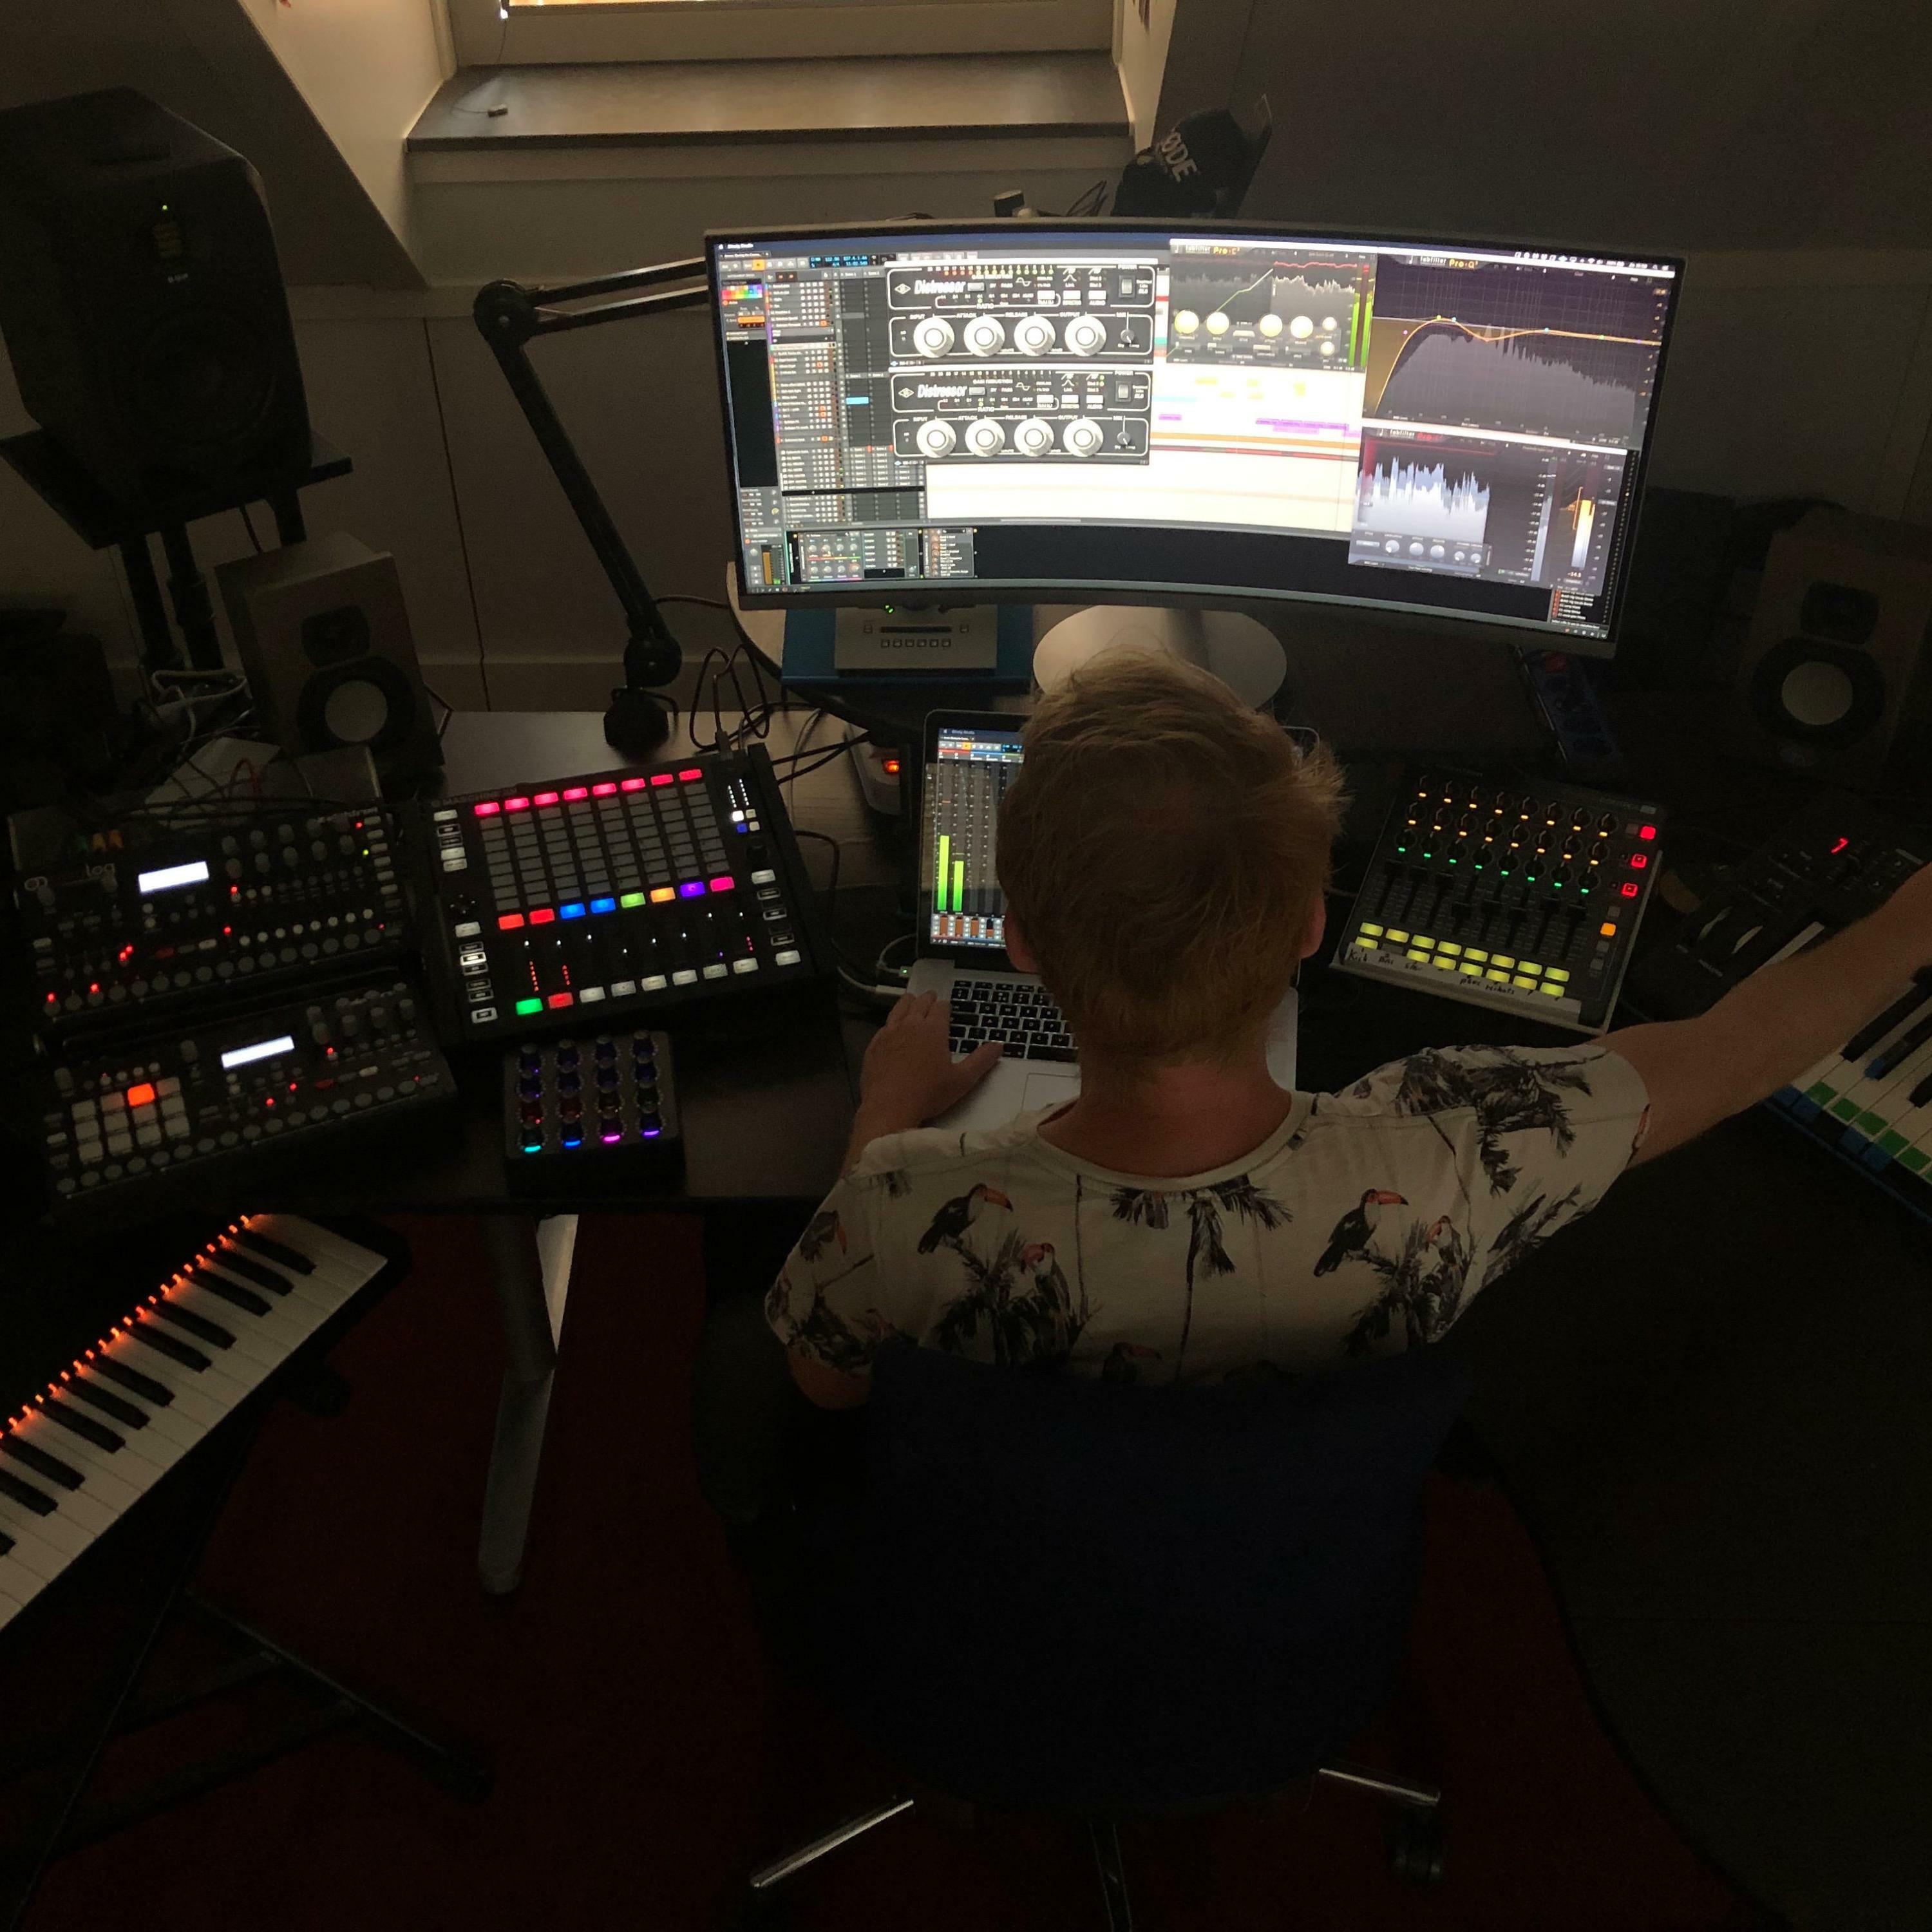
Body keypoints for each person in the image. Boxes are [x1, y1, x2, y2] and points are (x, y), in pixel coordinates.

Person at [755, 651, 1932, 1419]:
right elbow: (1740, 1050)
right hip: (1298, 1619)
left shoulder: (901, 1203)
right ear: (1313, 924)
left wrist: (885, 1112)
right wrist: (1910, 923)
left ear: (1018, 940)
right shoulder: (1457, 1149)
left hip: (1008, 1614)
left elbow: (825, 1383)